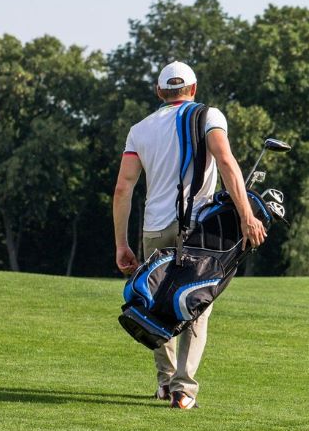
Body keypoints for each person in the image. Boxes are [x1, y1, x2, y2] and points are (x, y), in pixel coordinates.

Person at [112, 61, 266, 410]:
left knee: (156, 299)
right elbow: (226, 162)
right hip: (197, 228)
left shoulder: (140, 129)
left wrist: (121, 243)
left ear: (159, 92)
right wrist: (246, 217)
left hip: (154, 227)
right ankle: (183, 390)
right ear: (193, 89)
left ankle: (165, 383)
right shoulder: (209, 116)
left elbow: (124, 188)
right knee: (195, 302)